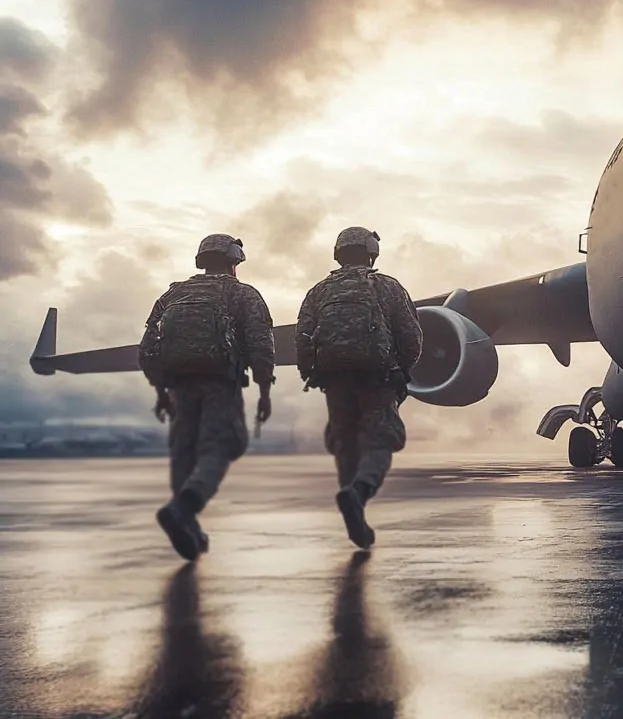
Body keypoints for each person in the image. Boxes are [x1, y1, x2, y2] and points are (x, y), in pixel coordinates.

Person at [140, 234, 275, 561]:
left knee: (183, 452)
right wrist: (263, 391)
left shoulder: (173, 295)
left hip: (178, 387)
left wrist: (160, 392)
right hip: (219, 384)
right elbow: (260, 345)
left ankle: (187, 523)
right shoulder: (242, 294)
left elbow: (147, 349)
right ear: (235, 261)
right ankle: (182, 508)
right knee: (223, 445)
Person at [295, 227, 422, 549]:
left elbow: (303, 336)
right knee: (380, 441)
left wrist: (312, 371)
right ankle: (359, 492)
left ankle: (354, 511)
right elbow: (411, 335)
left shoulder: (319, 292)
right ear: (372, 252)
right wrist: (402, 369)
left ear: (338, 253)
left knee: (344, 442)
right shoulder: (387, 287)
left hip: (334, 379)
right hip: (377, 377)